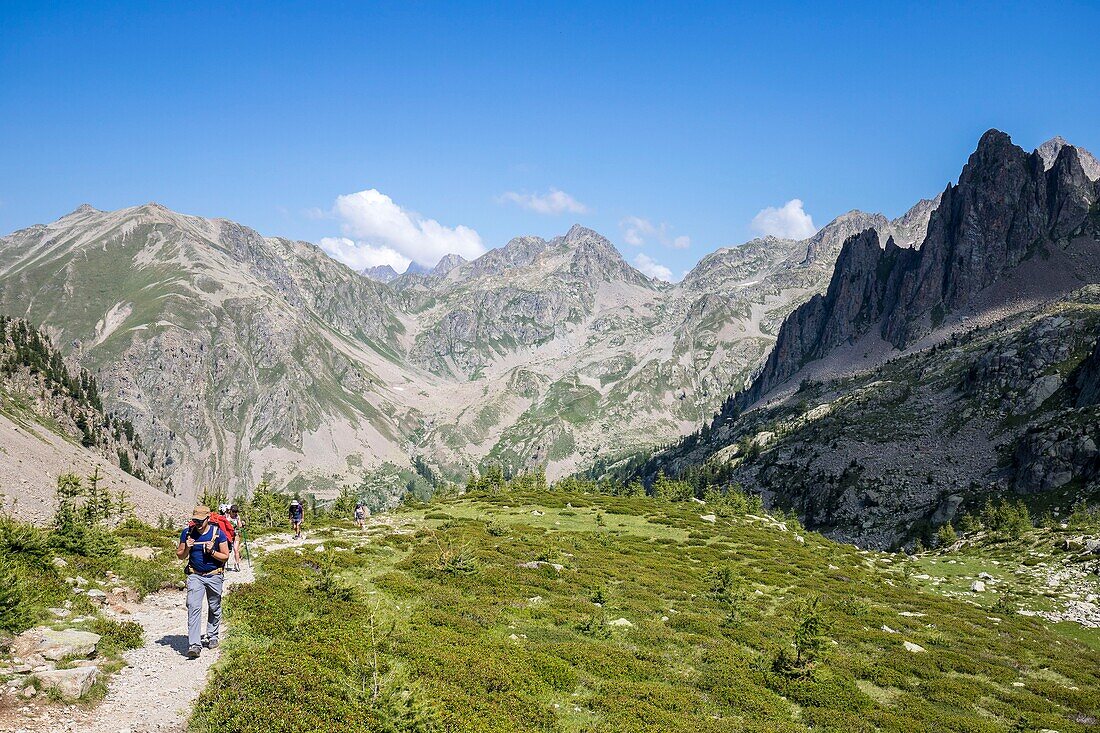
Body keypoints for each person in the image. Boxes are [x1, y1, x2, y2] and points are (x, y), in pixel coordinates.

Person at [176, 505, 230, 659]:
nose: (198, 523)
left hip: (214, 575)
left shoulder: (218, 533)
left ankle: (212, 635)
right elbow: (180, 555)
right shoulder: (187, 533)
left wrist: (212, 552)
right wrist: (187, 547)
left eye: (200, 520)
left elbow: (225, 556)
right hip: (195, 575)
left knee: (214, 605)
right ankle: (194, 644)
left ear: (208, 518)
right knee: (193, 606)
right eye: (195, 520)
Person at [227, 504, 244, 570]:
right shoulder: (227, 516)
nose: (234, 513)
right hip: (228, 534)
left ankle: (237, 564)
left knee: (236, 549)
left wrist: (239, 521)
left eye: (236, 512)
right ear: (230, 511)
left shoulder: (237, 516)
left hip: (236, 534)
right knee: (227, 550)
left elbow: (240, 526)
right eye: (233, 511)